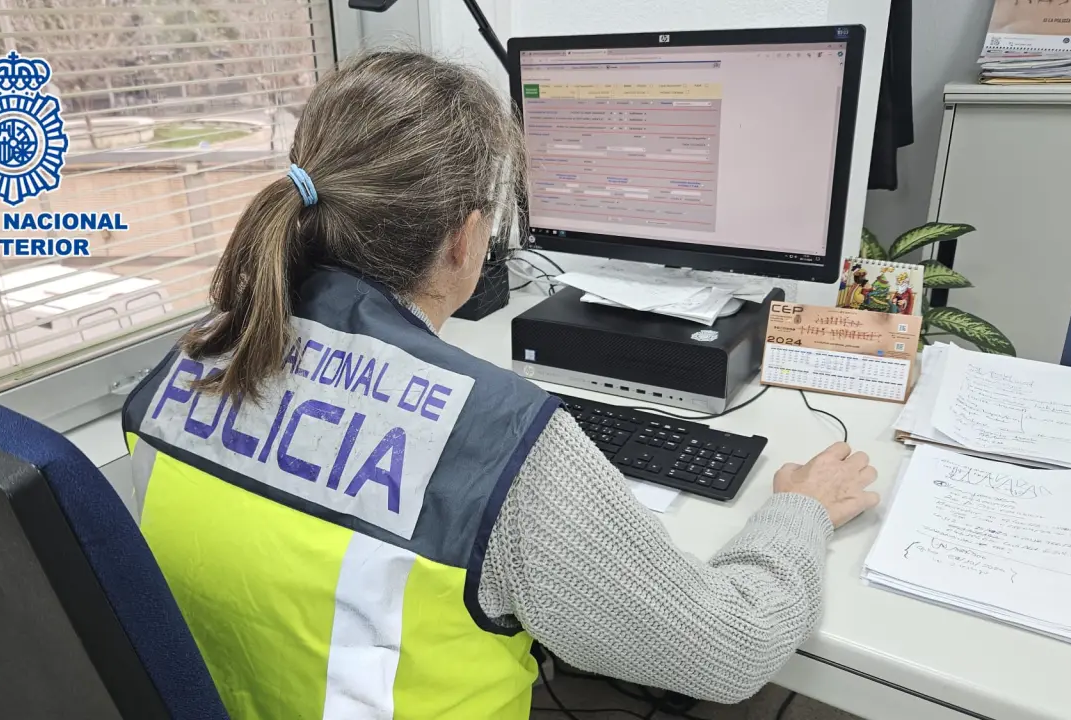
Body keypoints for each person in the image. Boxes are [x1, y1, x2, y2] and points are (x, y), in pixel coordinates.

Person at [121, 50, 880, 719]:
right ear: (466, 239)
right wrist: (800, 513)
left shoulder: (196, 356)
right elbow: (730, 652)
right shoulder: (491, 434)